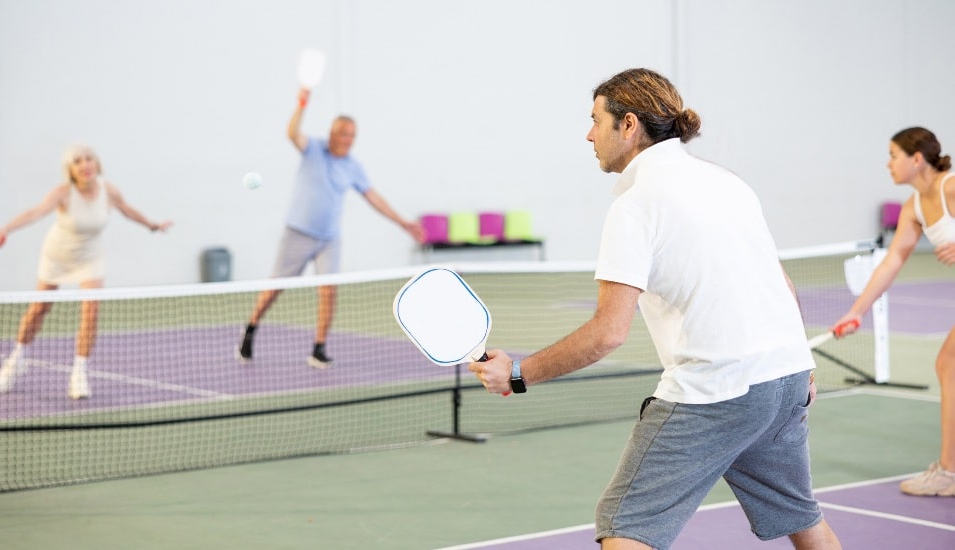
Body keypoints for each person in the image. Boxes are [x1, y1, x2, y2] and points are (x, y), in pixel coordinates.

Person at [469, 68, 841, 549]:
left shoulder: (634, 206)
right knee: (800, 515)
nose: (588, 134)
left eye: (595, 121)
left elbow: (608, 333)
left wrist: (518, 374)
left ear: (628, 125)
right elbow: (779, 281)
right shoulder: (727, 182)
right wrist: (797, 360)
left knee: (625, 522)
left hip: (717, 390)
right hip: (787, 377)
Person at [237, 87, 424, 368]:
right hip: (297, 233)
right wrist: (301, 104)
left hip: (329, 240)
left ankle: (319, 347)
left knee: (328, 291)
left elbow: (374, 198)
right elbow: (291, 133)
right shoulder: (313, 149)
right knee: (275, 287)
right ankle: (250, 328)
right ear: (332, 133)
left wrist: (403, 222)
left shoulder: (353, 166)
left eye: (352, 134)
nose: (348, 139)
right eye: (343, 133)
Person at [0, 145, 172, 399]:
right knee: (38, 309)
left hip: (91, 256)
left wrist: (152, 225)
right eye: (77, 161)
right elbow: (36, 212)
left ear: (96, 164)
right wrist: (5, 229)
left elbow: (127, 209)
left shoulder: (109, 191)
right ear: (71, 170)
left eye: (88, 159)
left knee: (91, 311)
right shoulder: (63, 193)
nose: (84, 165)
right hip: (57, 256)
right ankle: (16, 359)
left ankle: (79, 373)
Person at [833, 126, 955, 497]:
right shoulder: (913, 207)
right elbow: (891, 262)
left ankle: (948, 473)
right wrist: (857, 311)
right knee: (948, 365)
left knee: (948, 365)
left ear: (916, 158)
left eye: (893, 155)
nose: (888, 164)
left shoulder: (951, 188)